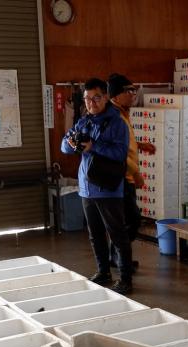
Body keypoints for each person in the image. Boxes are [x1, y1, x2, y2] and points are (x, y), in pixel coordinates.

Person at [61, 78, 133, 295]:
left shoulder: (117, 123)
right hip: (87, 188)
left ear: (105, 98)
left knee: (118, 234)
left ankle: (125, 278)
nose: (91, 103)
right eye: (87, 99)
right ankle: (103, 272)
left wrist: (94, 146)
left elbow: (120, 153)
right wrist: (72, 144)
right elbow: (64, 145)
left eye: (96, 98)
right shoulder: (84, 121)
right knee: (95, 234)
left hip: (108, 188)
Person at [108, 73, 155, 272]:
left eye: (134, 90)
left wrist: (141, 145)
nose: (133, 95)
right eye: (129, 91)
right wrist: (136, 173)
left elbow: (126, 144)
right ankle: (119, 257)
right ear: (117, 95)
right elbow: (117, 153)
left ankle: (116, 256)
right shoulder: (114, 117)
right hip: (122, 177)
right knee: (132, 220)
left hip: (126, 176)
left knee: (126, 220)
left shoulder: (123, 112)